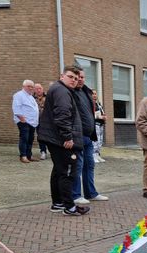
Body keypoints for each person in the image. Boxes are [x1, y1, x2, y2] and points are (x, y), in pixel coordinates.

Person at [37, 65, 89, 216]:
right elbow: (62, 115)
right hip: (61, 140)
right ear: (62, 76)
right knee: (67, 172)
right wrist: (68, 137)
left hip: (54, 138)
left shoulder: (60, 90)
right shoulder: (62, 91)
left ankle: (58, 203)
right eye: (70, 77)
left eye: (76, 78)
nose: (74, 80)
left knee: (59, 171)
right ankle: (69, 206)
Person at [72, 69, 107, 205]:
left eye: (82, 77)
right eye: (77, 77)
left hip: (88, 136)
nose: (80, 79)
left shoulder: (86, 92)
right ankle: (75, 195)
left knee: (90, 165)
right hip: (78, 136)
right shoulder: (71, 93)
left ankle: (91, 193)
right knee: (78, 166)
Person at [12, 80, 39, 163]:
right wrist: (22, 119)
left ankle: (29, 155)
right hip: (24, 121)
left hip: (32, 122)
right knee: (24, 138)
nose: (31, 88)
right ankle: (23, 156)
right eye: (29, 86)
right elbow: (16, 107)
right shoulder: (19, 95)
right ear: (24, 86)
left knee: (30, 139)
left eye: (32, 86)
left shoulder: (30, 96)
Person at [34, 83, 47, 160]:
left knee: (49, 136)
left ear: (42, 89)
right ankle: (43, 151)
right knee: (41, 137)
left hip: (47, 121)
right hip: (37, 121)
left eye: (40, 88)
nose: (38, 90)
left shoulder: (48, 96)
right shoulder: (31, 98)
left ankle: (52, 151)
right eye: (37, 89)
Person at [93, 91, 106, 163]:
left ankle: (98, 154)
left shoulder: (98, 104)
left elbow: (102, 112)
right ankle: (93, 155)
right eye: (93, 94)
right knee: (96, 140)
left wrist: (104, 116)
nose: (94, 95)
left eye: (95, 94)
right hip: (95, 124)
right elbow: (91, 115)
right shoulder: (90, 104)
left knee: (100, 140)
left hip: (101, 124)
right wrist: (100, 117)